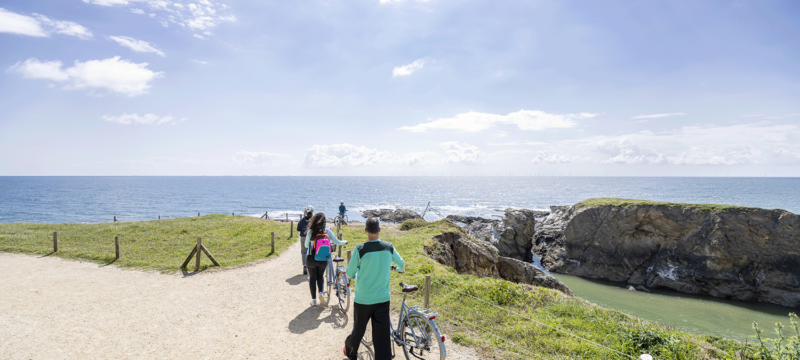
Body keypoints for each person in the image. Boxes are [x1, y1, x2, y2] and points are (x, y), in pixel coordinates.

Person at [343, 217, 404, 360]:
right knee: (382, 336)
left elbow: (349, 273)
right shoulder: (388, 247)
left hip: (363, 299)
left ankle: (351, 352)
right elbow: (401, 264)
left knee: (358, 330)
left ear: (365, 231)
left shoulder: (360, 249)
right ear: (379, 230)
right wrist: (399, 270)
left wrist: (359, 274)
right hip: (382, 299)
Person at [305, 212, 347, 306]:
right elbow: (337, 242)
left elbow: (306, 245)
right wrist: (344, 242)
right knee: (320, 276)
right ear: (324, 221)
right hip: (323, 258)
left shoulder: (310, 231)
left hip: (311, 257)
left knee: (312, 278)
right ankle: (321, 293)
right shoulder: (327, 230)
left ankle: (314, 300)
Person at [297, 205, 313, 275]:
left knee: (304, 251)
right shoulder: (313, 219)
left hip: (303, 236)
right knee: (312, 251)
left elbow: (298, 229)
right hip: (311, 237)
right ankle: (312, 266)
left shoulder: (302, 220)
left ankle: (305, 266)